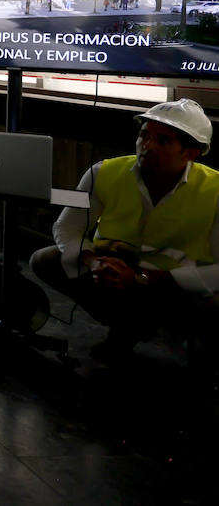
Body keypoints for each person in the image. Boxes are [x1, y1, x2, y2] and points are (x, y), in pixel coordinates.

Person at [31, 99, 219, 365]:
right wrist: (92, 261)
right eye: (144, 135)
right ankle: (126, 327)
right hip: (112, 267)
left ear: (190, 153)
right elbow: (67, 226)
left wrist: (143, 278)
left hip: (173, 281)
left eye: (163, 141)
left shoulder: (216, 190)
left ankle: (201, 348)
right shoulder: (101, 173)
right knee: (46, 259)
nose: (147, 146)